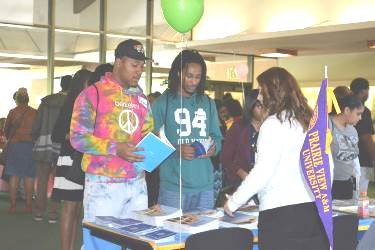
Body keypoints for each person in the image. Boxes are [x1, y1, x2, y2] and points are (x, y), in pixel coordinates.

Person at [224, 67, 329, 250]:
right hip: (312, 210)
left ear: (273, 93)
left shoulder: (273, 124)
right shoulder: (309, 121)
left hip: (281, 215)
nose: (259, 97)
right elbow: (327, 166)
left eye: (261, 91)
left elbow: (262, 172)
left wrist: (233, 202)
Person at [70, 39, 153, 250]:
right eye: (134, 65)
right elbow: (78, 137)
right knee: (101, 246)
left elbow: (147, 133)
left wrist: (153, 149)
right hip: (103, 184)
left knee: (139, 244)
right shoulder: (93, 94)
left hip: (137, 183)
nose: (139, 71)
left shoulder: (142, 99)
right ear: (118, 62)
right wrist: (116, 148)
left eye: (142, 67)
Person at [152, 49, 223, 212]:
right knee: (172, 235)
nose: (193, 82)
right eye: (189, 76)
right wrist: (176, 150)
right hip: (173, 187)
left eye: (198, 77)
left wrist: (213, 148)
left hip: (205, 185)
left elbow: (218, 139)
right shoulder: (162, 103)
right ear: (178, 73)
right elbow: (151, 146)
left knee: (203, 236)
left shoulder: (208, 103)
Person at [51, 69, 92, 250]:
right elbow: (57, 134)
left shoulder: (89, 104)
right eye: (89, 83)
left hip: (82, 161)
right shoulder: (72, 104)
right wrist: (76, 136)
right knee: (69, 209)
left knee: (76, 212)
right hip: (70, 161)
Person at [32, 75, 72, 222]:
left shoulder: (46, 101)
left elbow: (37, 123)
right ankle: (53, 214)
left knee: (42, 178)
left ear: (61, 85)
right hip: (63, 144)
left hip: (44, 142)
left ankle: (39, 212)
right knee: (58, 179)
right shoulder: (72, 102)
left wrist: (35, 136)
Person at [221, 89, 264, 189]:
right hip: (241, 182)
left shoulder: (271, 126)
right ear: (250, 106)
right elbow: (226, 157)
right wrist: (241, 173)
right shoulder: (239, 127)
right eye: (259, 106)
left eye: (266, 105)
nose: (263, 109)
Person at [4, 88, 37, 213]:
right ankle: (28, 206)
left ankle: (13, 206)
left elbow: (6, 130)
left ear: (16, 99)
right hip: (29, 146)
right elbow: (37, 130)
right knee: (29, 176)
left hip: (15, 146)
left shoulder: (12, 112)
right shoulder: (34, 112)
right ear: (27, 99)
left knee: (14, 176)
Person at [329, 93, 364, 200]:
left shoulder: (352, 130)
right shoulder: (327, 125)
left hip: (347, 184)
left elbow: (354, 159)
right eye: (358, 114)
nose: (360, 118)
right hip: (329, 184)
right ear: (347, 110)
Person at [350, 78, 375, 195]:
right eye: (367, 90)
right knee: (359, 197)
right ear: (363, 91)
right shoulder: (364, 112)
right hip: (361, 161)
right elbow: (366, 138)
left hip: (345, 160)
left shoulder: (344, 107)